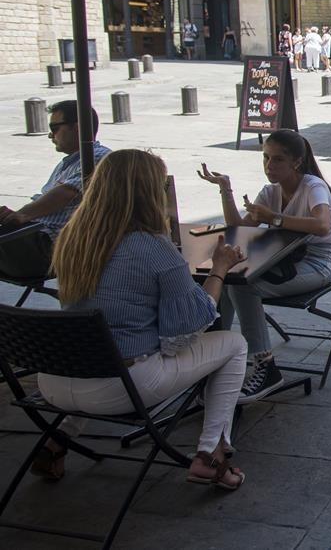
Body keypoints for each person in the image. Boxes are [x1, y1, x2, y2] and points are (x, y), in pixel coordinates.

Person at [40, 149, 248, 489]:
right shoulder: (153, 248)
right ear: (150, 191)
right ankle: (211, 453)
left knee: (103, 344)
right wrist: (220, 268)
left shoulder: (72, 238)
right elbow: (192, 324)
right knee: (234, 344)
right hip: (120, 385)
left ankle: (57, 439)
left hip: (56, 381)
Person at [198, 130, 331, 401]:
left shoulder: (312, 187)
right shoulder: (270, 192)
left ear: (296, 162)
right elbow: (238, 227)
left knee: (242, 288)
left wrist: (275, 219)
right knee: (226, 278)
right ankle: (214, 356)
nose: (269, 166)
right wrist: (226, 189)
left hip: (316, 263)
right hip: (280, 261)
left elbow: (322, 225)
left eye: (277, 160)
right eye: (265, 158)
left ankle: (266, 366)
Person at [0, 102, 111, 280]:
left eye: (55, 128)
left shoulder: (96, 157)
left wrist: (21, 215)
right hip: (33, 237)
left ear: (77, 128)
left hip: (49, 247)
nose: (50, 135)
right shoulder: (69, 163)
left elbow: (66, 193)